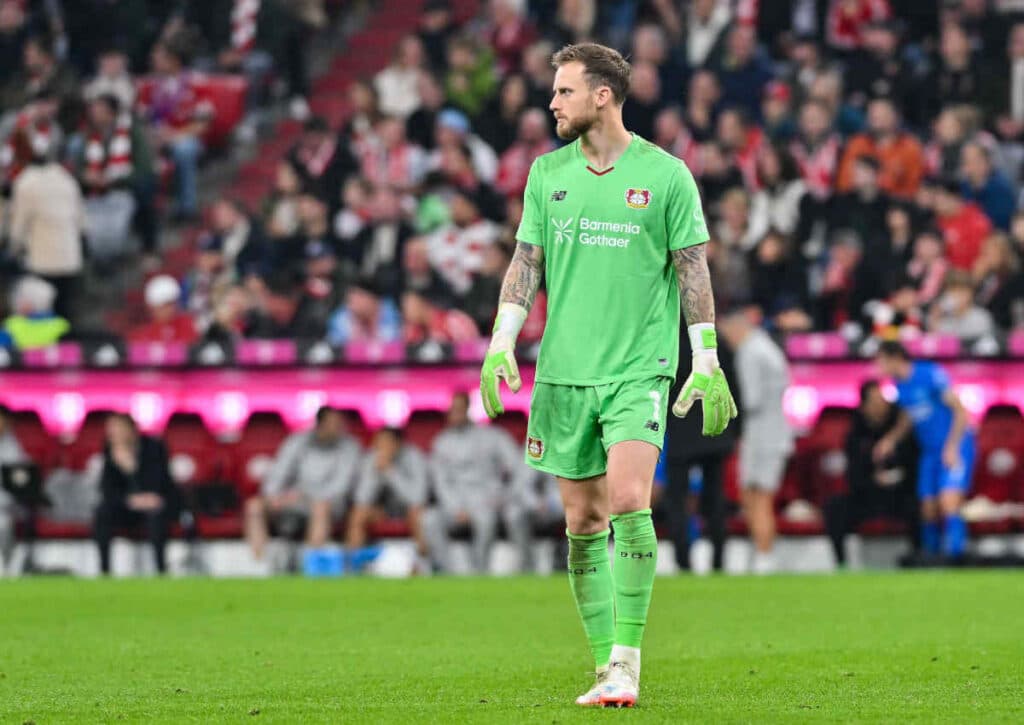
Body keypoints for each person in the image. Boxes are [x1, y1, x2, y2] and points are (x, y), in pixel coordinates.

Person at [479, 43, 736, 708]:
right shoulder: (547, 174)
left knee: (628, 500)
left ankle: (627, 661)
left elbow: (693, 268)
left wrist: (704, 358)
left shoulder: (667, 175)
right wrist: (502, 339)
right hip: (565, 371)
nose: (552, 102)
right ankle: (604, 667)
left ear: (602, 96)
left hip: (638, 367)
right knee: (583, 521)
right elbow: (526, 262)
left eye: (563, 91)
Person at [874, 341, 976, 560]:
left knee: (948, 501)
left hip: (955, 446)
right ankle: (932, 559)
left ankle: (955, 558)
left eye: (881, 360)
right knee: (928, 507)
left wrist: (952, 447)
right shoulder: (899, 385)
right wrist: (890, 440)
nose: (878, 366)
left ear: (895, 358)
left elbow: (960, 412)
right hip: (930, 452)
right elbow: (908, 417)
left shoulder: (930, 374)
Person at [420, 392, 530, 574]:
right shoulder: (441, 442)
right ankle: (446, 572)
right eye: (452, 410)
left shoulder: (493, 436)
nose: (455, 414)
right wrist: (455, 508)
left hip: (486, 501)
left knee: (486, 519)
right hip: (454, 504)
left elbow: (517, 467)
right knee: (429, 519)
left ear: (468, 409)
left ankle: (480, 573)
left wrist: (503, 497)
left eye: (459, 409)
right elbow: (441, 482)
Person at [719, 309, 793, 574]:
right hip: (774, 430)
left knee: (758, 497)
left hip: (762, 434)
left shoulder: (750, 353)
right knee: (756, 496)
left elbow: (751, 399)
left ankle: (763, 556)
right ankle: (762, 553)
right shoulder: (767, 347)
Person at [243, 406, 362, 562]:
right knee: (254, 506)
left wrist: (305, 496)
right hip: (292, 500)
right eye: (333, 423)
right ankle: (260, 564)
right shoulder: (297, 441)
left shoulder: (350, 447)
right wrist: (275, 497)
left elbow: (341, 487)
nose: (339, 428)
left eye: (339, 423)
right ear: (321, 424)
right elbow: (277, 475)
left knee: (320, 507)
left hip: (329, 503)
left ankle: (311, 566)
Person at [823, 380, 919, 567]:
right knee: (834, 507)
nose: (880, 405)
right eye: (874, 401)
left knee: (917, 506)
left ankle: (917, 558)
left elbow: (913, 465)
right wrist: (873, 478)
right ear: (864, 406)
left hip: (898, 494)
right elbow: (854, 475)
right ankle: (841, 564)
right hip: (867, 496)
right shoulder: (856, 434)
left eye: (882, 400)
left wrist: (897, 476)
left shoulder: (900, 430)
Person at [93, 413, 181, 575]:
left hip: (153, 504)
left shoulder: (154, 447)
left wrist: (133, 469)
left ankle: (161, 570)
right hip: (126, 507)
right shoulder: (109, 452)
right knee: (102, 512)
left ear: (131, 429)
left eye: (117, 428)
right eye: (111, 429)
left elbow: (160, 483)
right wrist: (129, 500)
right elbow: (108, 490)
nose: (113, 433)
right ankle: (105, 571)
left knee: (157, 515)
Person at [345, 427, 430, 571]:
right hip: (383, 511)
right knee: (359, 513)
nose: (381, 447)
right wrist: (376, 473)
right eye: (378, 443)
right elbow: (362, 498)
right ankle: (354, 567)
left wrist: (390, 471)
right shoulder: (371, 458)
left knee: (418, 514)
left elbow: (417, 498)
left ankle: (424, 565)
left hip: (409, 510)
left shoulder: (415, 457)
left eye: (386, 443)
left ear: (398, 444)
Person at [0, 405, 29, 573]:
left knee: (3, 523)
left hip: (6, 506)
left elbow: (21, 481)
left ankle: (6, 569)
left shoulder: (13, 447)